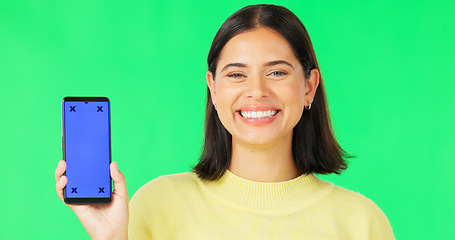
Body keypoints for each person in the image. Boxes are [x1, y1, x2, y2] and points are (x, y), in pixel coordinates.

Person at [55, 4, 395, 240]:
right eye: (237, 74)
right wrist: (112, 236)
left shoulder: (361, 222)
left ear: (309, 87)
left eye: (277, 72)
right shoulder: (157, 204)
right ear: (213, 89)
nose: (257, 91)